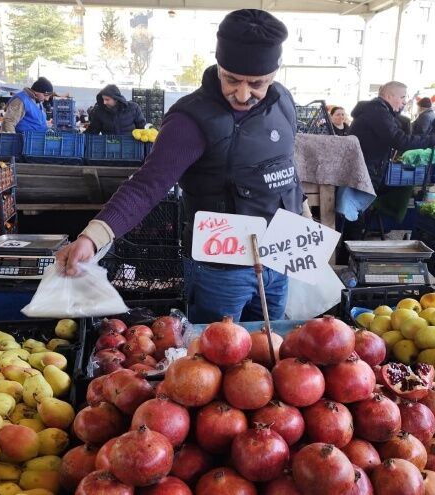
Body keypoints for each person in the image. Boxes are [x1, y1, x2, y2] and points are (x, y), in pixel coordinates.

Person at [59, 9, 302, 324]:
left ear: (274, 73)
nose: (243, 95)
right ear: (218, 66)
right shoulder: (190, 119)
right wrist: (92, 237)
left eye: (257, 83)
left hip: (280, 256)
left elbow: (287, 171)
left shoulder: (283, 102)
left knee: (273, 343)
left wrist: (304, 223)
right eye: (231, 79)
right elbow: (147, 185)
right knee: (216, 349)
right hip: (221, 271)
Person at [348, 81, 435, 188]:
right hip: (365, 170)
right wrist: (433, 139)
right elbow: (399, 140)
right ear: (389, 96)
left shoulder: (377, 110)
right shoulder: (378, 112)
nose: (404, 102)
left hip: (364, 168)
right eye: (402, 97)